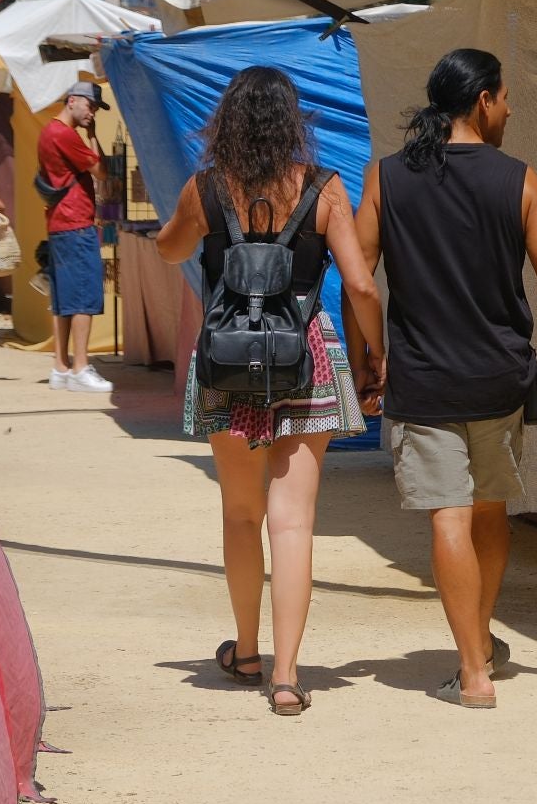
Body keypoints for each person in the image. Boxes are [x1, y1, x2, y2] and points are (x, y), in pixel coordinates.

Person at [346, 48, 537, 710]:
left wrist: (367, 357)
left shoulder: (387, 179)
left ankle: (474, 669)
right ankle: (480, 643)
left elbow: (358, 276)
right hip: (499, 377)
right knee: (489, 511)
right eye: (506, 98)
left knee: (448, 515)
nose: (510, 110)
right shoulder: (518, 179)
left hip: (425, 379)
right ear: (483, 100)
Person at [157, 66, 384, 716]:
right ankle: (286, 677)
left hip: (228, 363)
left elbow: (171, 247)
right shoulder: (323, 188)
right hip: (305, 357)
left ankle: (248, 651)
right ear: (292, 122)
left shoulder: (206, 188)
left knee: (239, 514)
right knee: (293, 523)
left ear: (227, 121)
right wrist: (376, 356)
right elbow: (362, 287)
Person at [38, 82, 112, 394]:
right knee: (84, 295)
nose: (92, 112)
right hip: (76, 223)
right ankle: (80, 366)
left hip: (60, 223)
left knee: (65, 299)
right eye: (90, 105)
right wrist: (93, 135)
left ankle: (61, 366)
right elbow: (101, 170)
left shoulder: (48, 132)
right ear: (72, 101)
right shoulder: (64, 134)